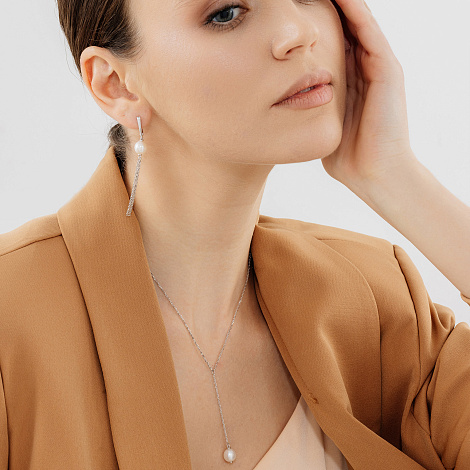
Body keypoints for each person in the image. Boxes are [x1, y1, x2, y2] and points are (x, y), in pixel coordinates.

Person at [0, 0, 469, 468]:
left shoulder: (374, 303)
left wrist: (396, 177)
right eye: (226, 13)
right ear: (115, 84)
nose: (299, 33)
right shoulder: (12, 317)